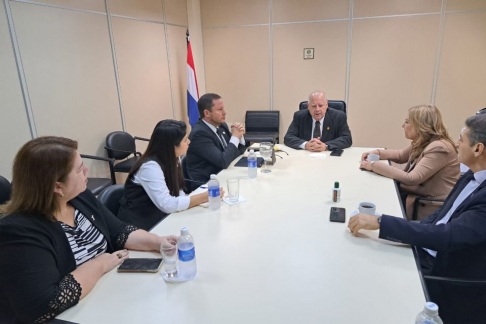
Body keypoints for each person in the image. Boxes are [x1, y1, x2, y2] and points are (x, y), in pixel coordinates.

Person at [0, 136, 178, 323]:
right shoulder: (19, 231)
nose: (86, 170)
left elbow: (119, 231)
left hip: (105, 296)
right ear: (57, 186)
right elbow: (46, 303)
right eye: (79, 169)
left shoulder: (78, 197)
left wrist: (158, 242)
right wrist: (99, 264)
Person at [349, 114, 486, 279]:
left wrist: (382, 222)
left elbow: (447, 235)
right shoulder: (471, 175)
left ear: (478, 149)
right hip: (427, 245)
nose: (456, 144)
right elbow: (441, 215)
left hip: (441, 270)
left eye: (461, 140)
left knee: (367, 269)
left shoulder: (442, 149)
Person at [118, 120, 223, 230]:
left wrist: (198, 199)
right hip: (140, 226)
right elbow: (166, 204)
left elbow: (177, 191)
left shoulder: (172, 158)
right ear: (172, 146)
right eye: (185, 140)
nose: (189, 142)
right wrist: (202, 197)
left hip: (160, 218)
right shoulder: (149, 167)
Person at [360, 105, 460, 220]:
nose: (403, 126)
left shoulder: (439, 148)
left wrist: (373, 165)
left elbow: (411, 178)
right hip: (417, 194)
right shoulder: (424, 140)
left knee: (380, 198)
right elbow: (401, 155)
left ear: (420, 126)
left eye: (407, 122)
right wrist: (378, 153)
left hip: (429, 205)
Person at [185, 93, 247, 191]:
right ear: (207, 113)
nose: (225, 112)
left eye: (223, 108)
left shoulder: (221, 126)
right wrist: (234, 137)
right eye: (220, 109)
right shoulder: (199, 134)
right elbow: (223, 161)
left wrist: (240, 135)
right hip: (206, 185)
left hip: (223, 176)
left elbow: (234, 152)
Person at [284, 91, 352, 152]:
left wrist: (325, 146)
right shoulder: (299, 116)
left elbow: (347, 139)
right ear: (308, 106)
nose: (317, 109)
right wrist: (306, 145)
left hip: (329, 159)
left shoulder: (339, 117)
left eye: (320, 105)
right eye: (313, 106)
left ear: (326, 105)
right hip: (305, 157)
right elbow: (288, 137)